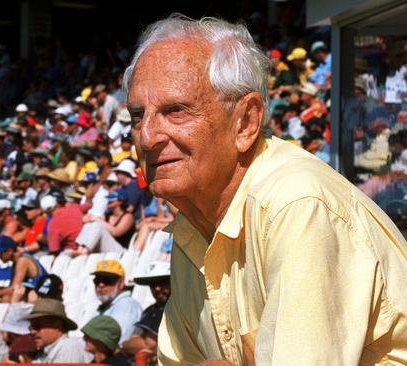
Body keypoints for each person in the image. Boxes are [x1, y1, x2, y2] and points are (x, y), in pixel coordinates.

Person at [124, 15, 407, 364]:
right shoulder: (192, 226)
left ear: (245, 122)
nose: (147, 136)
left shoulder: (297, 203)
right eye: (137, 116)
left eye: (176, 111)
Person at [121, 262, 169, 358]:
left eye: (162, 282)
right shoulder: (149, 311)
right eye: (153, 284)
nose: (157, 288)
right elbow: (127, 343)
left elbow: (150, 345)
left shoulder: (180, 309)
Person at [91, 259, 142, 344]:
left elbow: (117, 342)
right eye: (97, 280)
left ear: (121, 283)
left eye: (107, 280)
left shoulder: (127, 305)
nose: (101, 285)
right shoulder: (105, 306)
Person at [23, 298, 87, 363]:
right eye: (31, 327)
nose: (32, 331)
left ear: (57, 326)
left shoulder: (68, 348)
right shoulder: (46, 350)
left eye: (37, 326)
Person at [75, 189, 134, 254]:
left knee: (98, 225)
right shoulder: (107, 216)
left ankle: (84, 252)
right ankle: (80, 250)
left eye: (112, 200)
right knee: (91, 224)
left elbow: (116, 232)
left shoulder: (128, 216)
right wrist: (88, 219)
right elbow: (94, 222)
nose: (108, 201)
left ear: (120, 201)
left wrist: (97, 219)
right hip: (106, 250)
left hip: (121, 252)